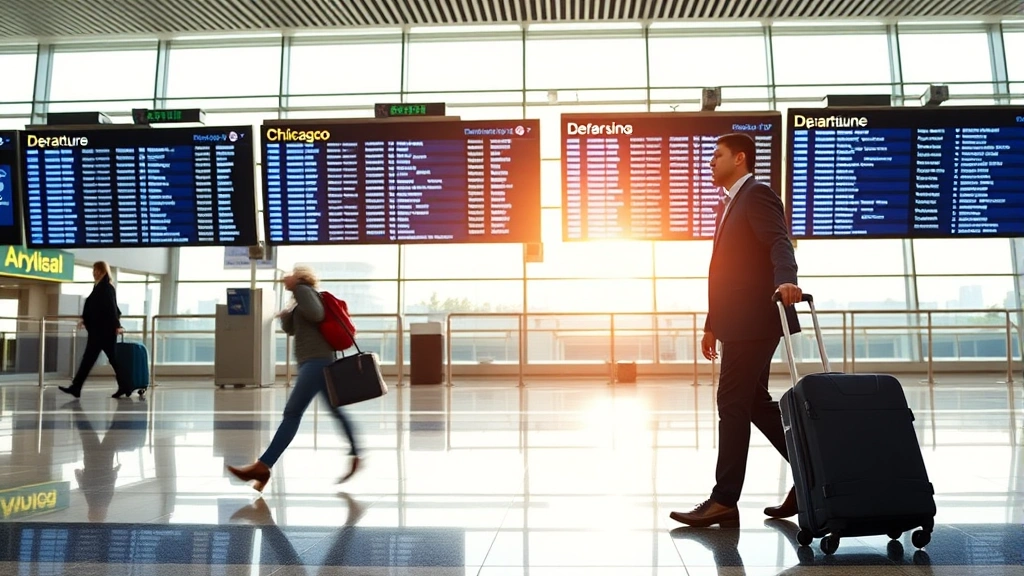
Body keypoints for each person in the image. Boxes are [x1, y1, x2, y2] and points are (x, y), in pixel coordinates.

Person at [670, 133, 803, 528]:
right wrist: (713, 322)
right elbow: (726, 272)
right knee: (754, 402)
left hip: (756, 318)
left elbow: (779, 241)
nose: (711, 163)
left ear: (740, 158)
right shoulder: (727, 206)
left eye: (718, 156)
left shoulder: (757, 195)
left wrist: (786, 280)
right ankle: (814, 472)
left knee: (730, 401)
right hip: (737, 321)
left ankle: (724, 499)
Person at [226, 265, 361, 492]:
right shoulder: (300, 298)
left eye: (293, 276)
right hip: (313, 362)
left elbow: (317, 314)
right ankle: (356, 453)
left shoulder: (306, 291)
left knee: (292, 413)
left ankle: (263, 466)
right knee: (335, 410)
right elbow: (292, 329)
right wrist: (286, 315)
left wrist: (297, 288)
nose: (287, 279)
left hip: (317, 362)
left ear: (301, 278)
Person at [59, 261, 130, 399]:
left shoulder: (106, 287)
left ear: (104, 271)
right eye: (94, 270)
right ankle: (77, 387)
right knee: (91, 360)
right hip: (98, 331)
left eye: (97, 270)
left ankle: (125, 385)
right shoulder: (99, 286)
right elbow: (95, 307)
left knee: (110, 359)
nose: (94, 273)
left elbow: (112, 308)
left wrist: (117, 325)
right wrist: (85, 320)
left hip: (105, 332)